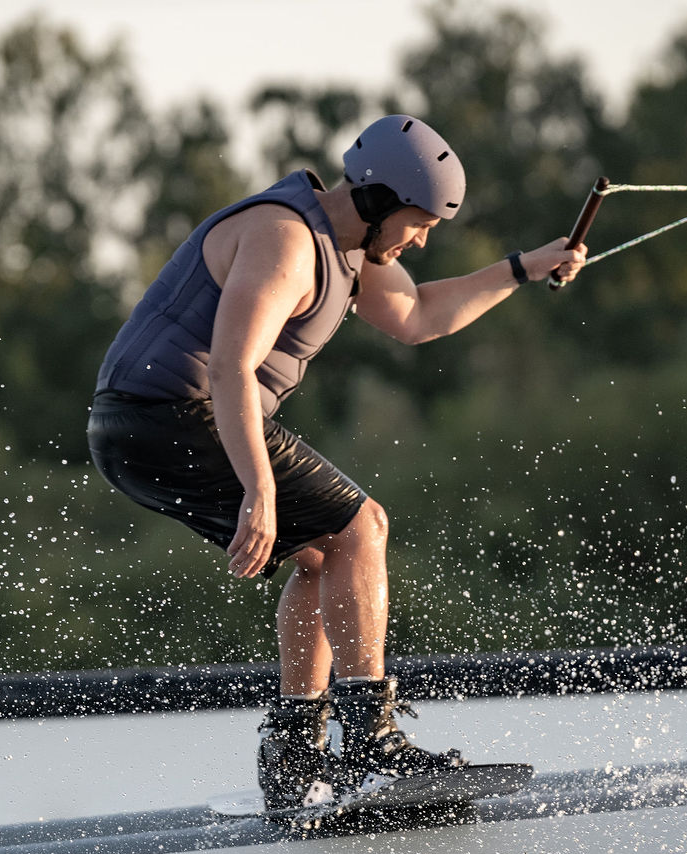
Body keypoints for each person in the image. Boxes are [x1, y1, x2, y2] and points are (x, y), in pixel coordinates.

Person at [87, 115, 585, 810]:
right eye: (418, 222)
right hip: (171, 414)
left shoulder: (351, 250)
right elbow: (231, 367)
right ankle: (373, 745)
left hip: (143, 425)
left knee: (326, 554)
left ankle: (294, 753)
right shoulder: (287, 241)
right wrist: (258, 488)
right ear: (380, 199)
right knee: (363, 525)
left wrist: (523, 268)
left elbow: (419, 315)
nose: (420, 239)